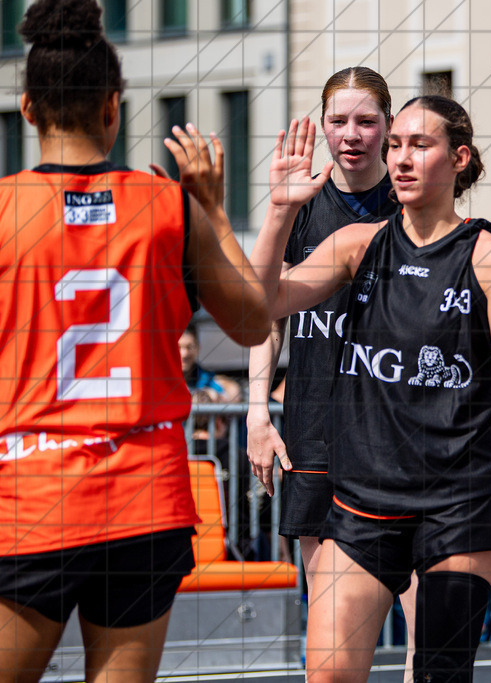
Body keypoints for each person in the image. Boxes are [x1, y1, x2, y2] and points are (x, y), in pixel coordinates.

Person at [0, 2, 270, 681]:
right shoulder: (166, 207)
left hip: (32, 497)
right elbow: (254, 322)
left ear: (28, 109)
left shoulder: (5, 208)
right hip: (143, 498)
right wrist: (209, 204)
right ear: (114, 108)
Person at [249, 96, 491, 682]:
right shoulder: (358, 244)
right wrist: (279, 213)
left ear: (459, 158)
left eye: (421, 145)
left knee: (438, 673)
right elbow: (260, 306)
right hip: (362, 505)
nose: (402, 159)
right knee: (328, 674)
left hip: (458, 507)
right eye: (397, 145)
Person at [242, 68, 412, 666]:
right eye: (338, 121)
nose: (352, 134)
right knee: (331, 638)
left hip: (402, 441)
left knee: (428, 634)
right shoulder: (301, 207)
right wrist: (256, 411)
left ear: (389, 127)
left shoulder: (413, 204)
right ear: (322, 127)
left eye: (367, 121)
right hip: (316, 433)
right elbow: (264, 316)